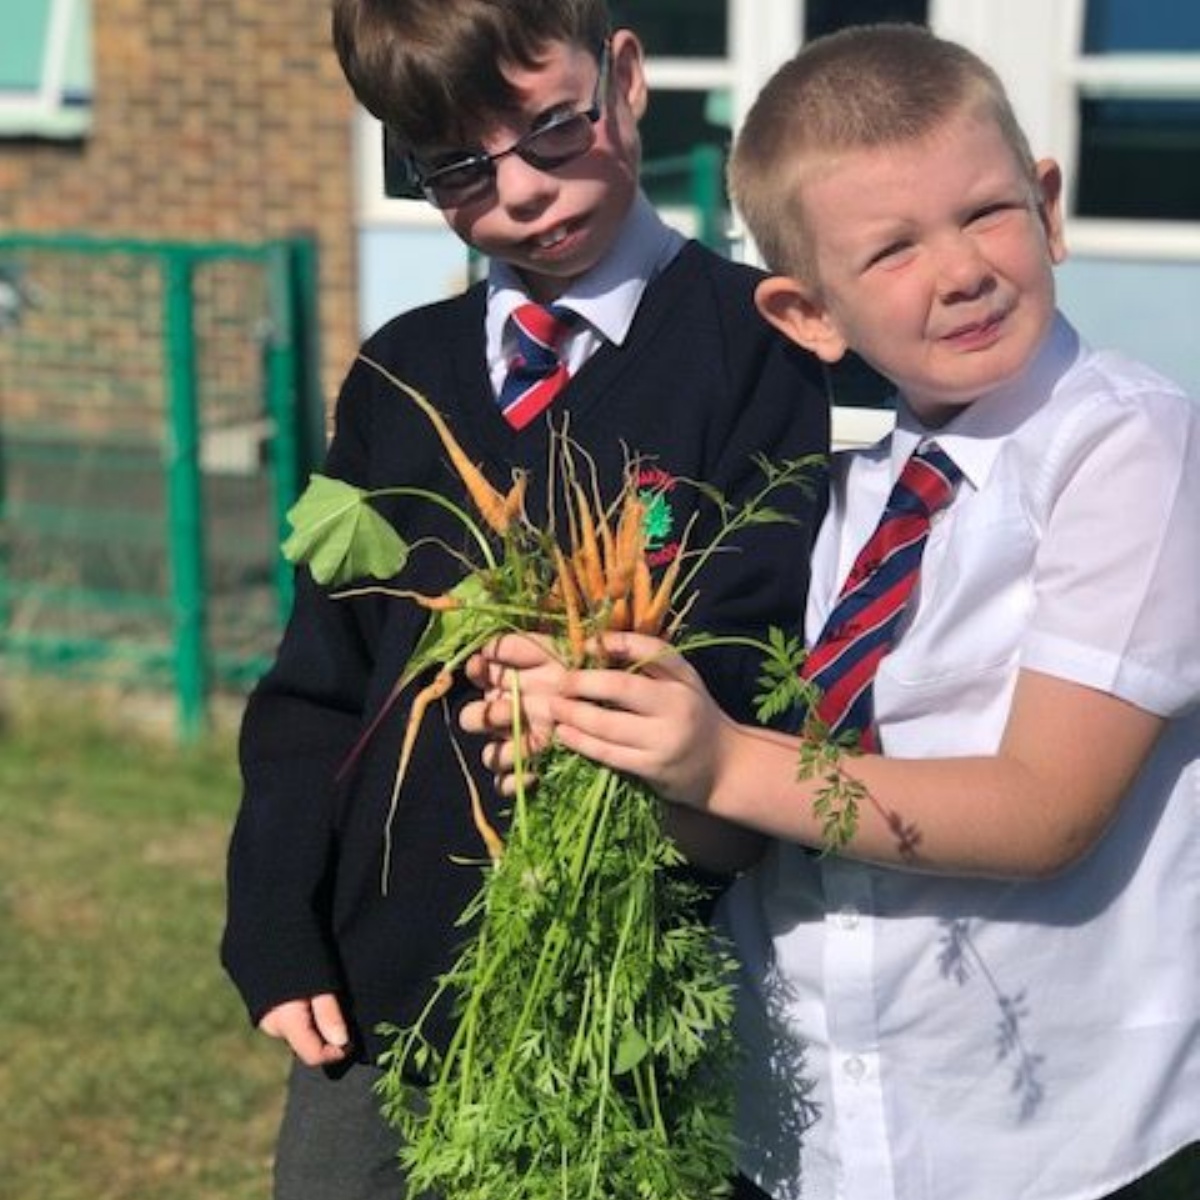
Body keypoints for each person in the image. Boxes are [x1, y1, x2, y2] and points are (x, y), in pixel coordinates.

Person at [464, 23, 1200, 1200]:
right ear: (811, 315)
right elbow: (746, 825)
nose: (959, 269)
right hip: (814, 1123)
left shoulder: (1129, 445)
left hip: (1057, 1139)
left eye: (987, 214)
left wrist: (719, 765)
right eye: (892, 249)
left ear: (1049, 206)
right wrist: (613, 745)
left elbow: (1044, 810)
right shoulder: (838, 498)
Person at [219, 2, 832, 1198]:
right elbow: (316, 682)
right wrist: (278, 917)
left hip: (628, 985)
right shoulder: (401, 374)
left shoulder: (754, 347)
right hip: (380, 987)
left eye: (553, 131)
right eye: (455, 168)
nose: (522, 196)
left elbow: (760, 648)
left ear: (626, 77)